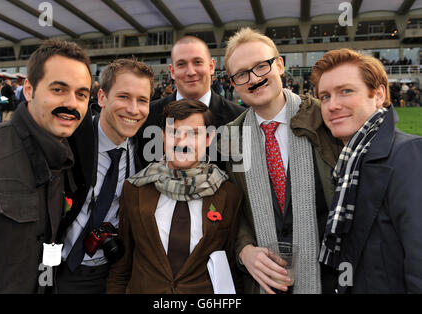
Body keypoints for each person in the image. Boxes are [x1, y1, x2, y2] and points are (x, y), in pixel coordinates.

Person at [221, 27, 342, 294]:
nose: (254, 78)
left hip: (329, 279)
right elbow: (231, 207)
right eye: (241, 73)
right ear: (233, 83)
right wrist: (244, 249)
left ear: (279, 65)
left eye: (261, 66)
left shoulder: (325, 120)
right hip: (263, 283)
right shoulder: (230, 138)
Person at [0, 39, 92, 293]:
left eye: (81, 94)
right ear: (29, 90)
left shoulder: (65, 160)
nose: (72, 103)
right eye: (58, 89)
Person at [310, 48, 422, 293]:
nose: (332, 105)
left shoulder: (407, 155)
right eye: (325, 96)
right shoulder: (349, 163)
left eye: (346, 91)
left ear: (379, 94)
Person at [106, 99, 243, 293]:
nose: (182, 142)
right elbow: (121, 266)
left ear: (209, 138)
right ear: (163, 136)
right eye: (174, 133)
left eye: (194, 134)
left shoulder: (229, 196)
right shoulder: (135, 190)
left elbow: (231, 268)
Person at [56, 58, 154, 294]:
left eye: (142, 100)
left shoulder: (145, 151)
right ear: (101, 98)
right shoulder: (68, 142)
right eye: (123, 97)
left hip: (114, 273)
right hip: (62, 270)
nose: (133, 109)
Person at [137, 35, 245, 168]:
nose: (191, 72)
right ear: (172, 71)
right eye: (181, 64)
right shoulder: (146, 115)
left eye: (197, 62)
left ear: (211, 66)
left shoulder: (240, 119)